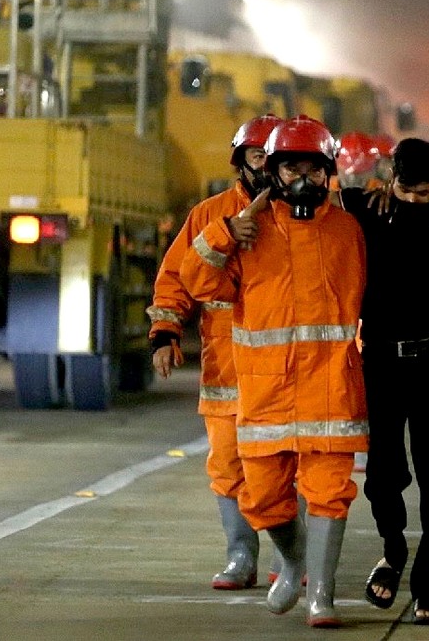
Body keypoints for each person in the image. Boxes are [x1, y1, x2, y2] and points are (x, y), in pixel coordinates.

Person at [179, 115, 368, 628]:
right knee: (262, 499)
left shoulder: (348, 231)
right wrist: (223, 237)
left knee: (329, 497)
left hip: (330, 390)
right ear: (272, 172)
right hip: (266, 395)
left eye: (313, 168)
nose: (302, 179)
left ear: (328, 171)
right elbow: (200, 284)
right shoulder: (248, 231)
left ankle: (321, 595)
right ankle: (293, 560)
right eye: (291, 168)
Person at [147, 114, 282, 591]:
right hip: (226, 370)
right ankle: (240, 555)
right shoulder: (211, 214)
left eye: (275, 157)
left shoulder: (303, 218)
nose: (266, 166)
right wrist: (165, 331)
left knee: (285, 470)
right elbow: (176, 276)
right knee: (228, 466)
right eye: (258, 156)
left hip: (284, 372)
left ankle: (290, 559)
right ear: (241, 161)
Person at [340, 137, 429, 624]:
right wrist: (370, 187)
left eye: (424, 193)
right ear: (390, 179)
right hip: (380, 362)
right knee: (382, 475)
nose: (413, 200)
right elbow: (301, 197)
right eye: (404, 190)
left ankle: (427, 587)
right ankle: (392, 551)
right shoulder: (368, 207)